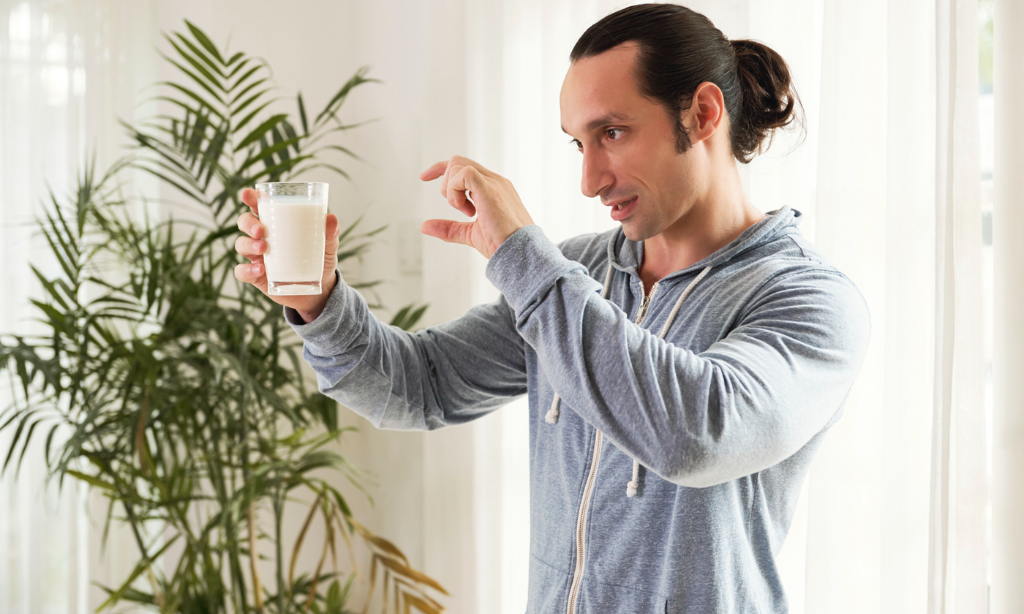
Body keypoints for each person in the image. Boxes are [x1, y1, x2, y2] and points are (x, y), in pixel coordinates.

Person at [234, 4, 871, 613]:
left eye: (612, 133)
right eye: (578, 144)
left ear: (703, 113)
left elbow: (694, 436)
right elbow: (418, 387)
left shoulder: (809, 300)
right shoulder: (579, 275)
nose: (590, 180)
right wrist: (319, 303)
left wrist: (522, 256)